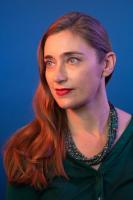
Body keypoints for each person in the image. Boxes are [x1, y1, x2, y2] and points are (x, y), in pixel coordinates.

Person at [3, 11, 133, 200]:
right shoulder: (28, 150)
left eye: (72, 60)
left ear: (107, 64)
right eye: (50, 62)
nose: (57, 76)